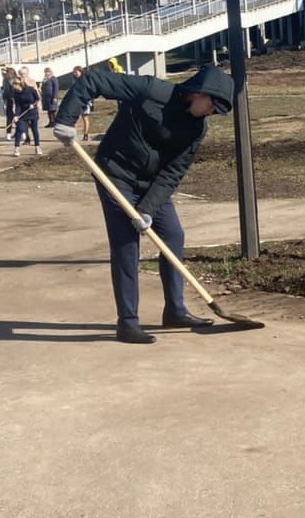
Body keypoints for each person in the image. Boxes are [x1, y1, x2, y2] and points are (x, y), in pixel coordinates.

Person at [52, 65, 235, 344]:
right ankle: (127, 322)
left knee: (173, 235)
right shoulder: (150, 90)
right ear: (199, 93)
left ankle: (175, 310)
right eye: (212, 105)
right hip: (115, 174)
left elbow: (173, 172)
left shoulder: (197, 129)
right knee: (126, 243)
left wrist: (147, 209)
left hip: (150, 184)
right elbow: (95, 80)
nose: (211, 113)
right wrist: (67, 118)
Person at [10, 74, 41, 157]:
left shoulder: (30, 90)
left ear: (19, 84)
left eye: (14, 85)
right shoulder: (16, 93)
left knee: (34, 130)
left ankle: (37, 147)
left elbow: (37, 98)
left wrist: (33, 104)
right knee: (19, 129)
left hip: (32, 112)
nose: (13, 87)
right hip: (22, 113)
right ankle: (16, 149)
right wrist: (16, 115)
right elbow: (18, 105)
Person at [68, 65, 93, 141]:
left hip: (85, 101)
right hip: (76, 101)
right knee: (74, 118)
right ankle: (74, 135)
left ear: (80, 72)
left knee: (85, 118)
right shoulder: (74, 81)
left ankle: (86, 134)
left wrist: (90, 101)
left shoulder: (85, 80)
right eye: (74, 73)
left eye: (76, 72)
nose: (75, 74)